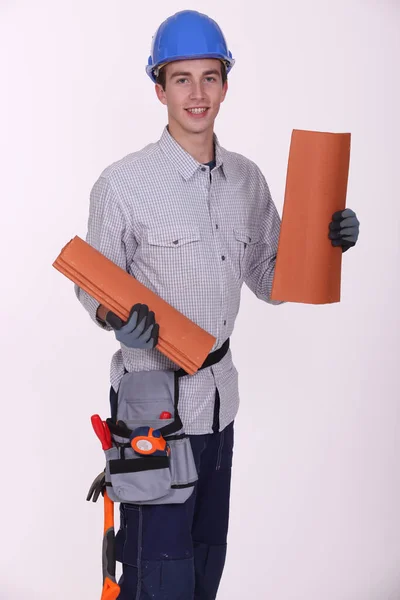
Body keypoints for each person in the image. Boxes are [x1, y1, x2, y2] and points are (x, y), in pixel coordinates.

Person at [75, 9, 360, 600]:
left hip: (219, 403)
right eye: (182, 79)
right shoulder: (122, 184)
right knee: (156, 572)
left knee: (206, 562)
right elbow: (91, 285)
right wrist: (116, 321)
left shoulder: (247, 182)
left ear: (226, 84)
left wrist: (326, 246)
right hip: (151, 408)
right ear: (159, 88)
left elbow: (270, 279)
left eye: (210, 77)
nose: (197, 93)